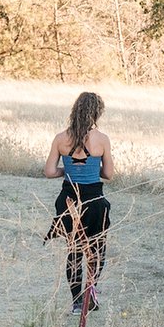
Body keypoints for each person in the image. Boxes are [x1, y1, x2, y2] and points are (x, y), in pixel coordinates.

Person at [44, 91, 114, 313]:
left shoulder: (60, 139)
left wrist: (68, 170)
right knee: (96, 249)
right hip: (94, 200)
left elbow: (49, 171)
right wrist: (92, 168)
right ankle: (90, 290)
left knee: (73, 250)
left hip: (69, 201)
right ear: (97, 113)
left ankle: (76, 302)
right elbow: (109, 174)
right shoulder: (102, 139)